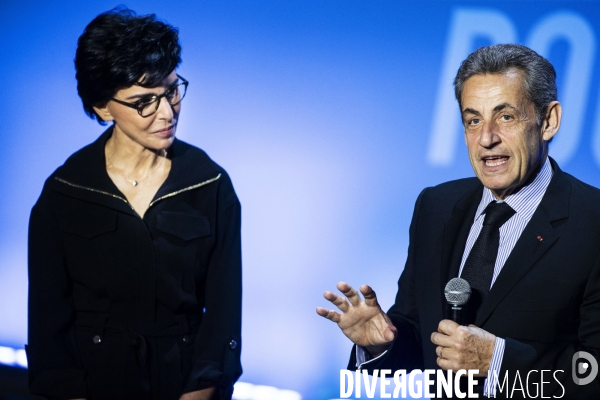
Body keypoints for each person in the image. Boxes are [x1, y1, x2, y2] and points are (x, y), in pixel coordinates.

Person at [317, 44, 600, 398]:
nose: (486, 139)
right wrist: (382, 344)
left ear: (549, 121)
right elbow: (423, 341)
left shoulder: (593, 223)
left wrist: (499, 363)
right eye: (473, 120)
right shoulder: (436, 206)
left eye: (506, 117)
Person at [26, 8, 241, 400]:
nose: (166, 112)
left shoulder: (211, 183)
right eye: (144, 101)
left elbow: (224, 319)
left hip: (184, 384)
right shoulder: (65, 191)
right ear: (102, 107)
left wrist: (201, 391)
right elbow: (47, 328)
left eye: (172, 90)